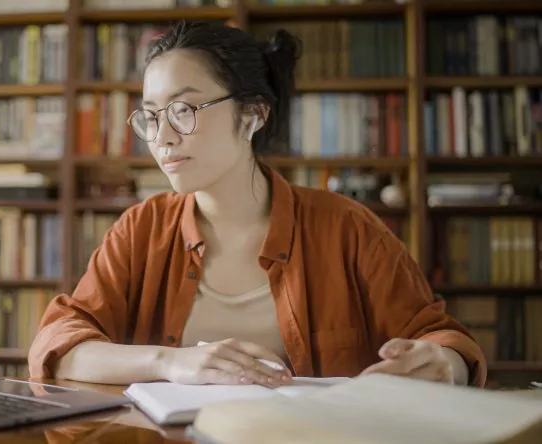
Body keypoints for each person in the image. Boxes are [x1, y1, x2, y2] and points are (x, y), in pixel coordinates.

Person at [28, 21, 486, 388]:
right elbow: (59, 343)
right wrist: (171, 362)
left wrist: (445, 363)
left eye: (184, 110)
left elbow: (442, 338)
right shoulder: (141, 229)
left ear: (253, 114)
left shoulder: (346, 227)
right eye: (150, 116)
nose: (162, 137)